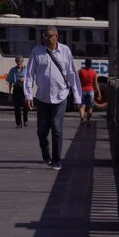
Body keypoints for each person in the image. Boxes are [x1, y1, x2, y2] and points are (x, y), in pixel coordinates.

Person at [24, 26, 81, 170]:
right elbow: (29, 74)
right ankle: (46, 153)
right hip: (42, 98)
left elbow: (72, 74)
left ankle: (56, 160)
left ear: (56, 37)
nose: (46, 38)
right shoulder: (37, 51)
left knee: (56, 127)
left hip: (60, 96)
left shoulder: (65, 51)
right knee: (42, 130)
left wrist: (77, 97)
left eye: (49, 36)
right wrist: (28, 94)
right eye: (45, 36)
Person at [7, 56, 29, 128]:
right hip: (16, 90)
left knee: (25, 106)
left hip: (24, 90)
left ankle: (25, 120)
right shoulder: (13, 70)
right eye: (17, 62)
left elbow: (30, 80)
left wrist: (24, 80)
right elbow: (10, 82)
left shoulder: (26, 70)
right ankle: (18, 123)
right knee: (17, 107)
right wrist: (9, 93)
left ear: (22, 62)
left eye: (20, 62)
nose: (19, 63)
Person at [78, 58, 100, 126]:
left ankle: (82, 117)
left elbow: (75, 78)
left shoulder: (80, 71)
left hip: (82, 90)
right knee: (90, 107)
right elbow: (95, 83)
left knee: (82, 105)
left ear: (85, 63)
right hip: (91, 91)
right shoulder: (94, 72)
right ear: (91, 64)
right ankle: (88, 121)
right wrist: (99, 92)